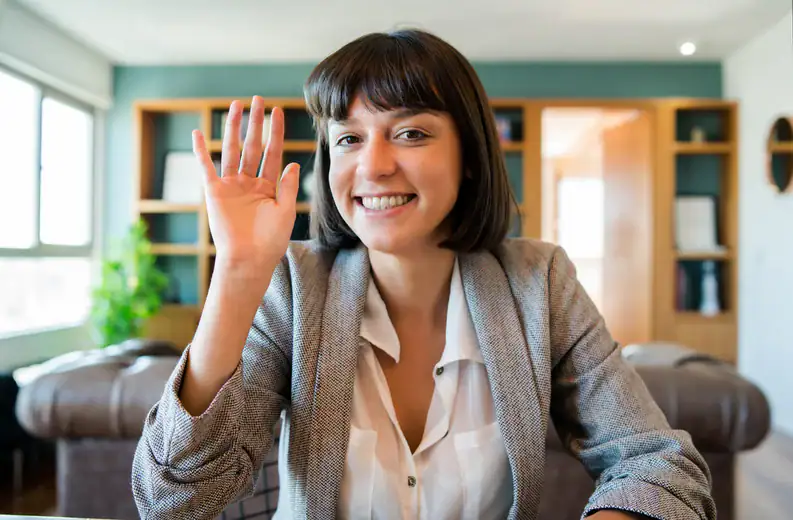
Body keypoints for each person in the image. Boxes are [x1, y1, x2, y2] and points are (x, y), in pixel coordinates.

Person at [131, 29, 716, 520]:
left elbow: (657, 461)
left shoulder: (542, 284)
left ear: (469, 158)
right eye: (350, 138)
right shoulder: (293, 286)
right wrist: (236, 273)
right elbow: (172, 500)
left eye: (411, 133)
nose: (376, 165)